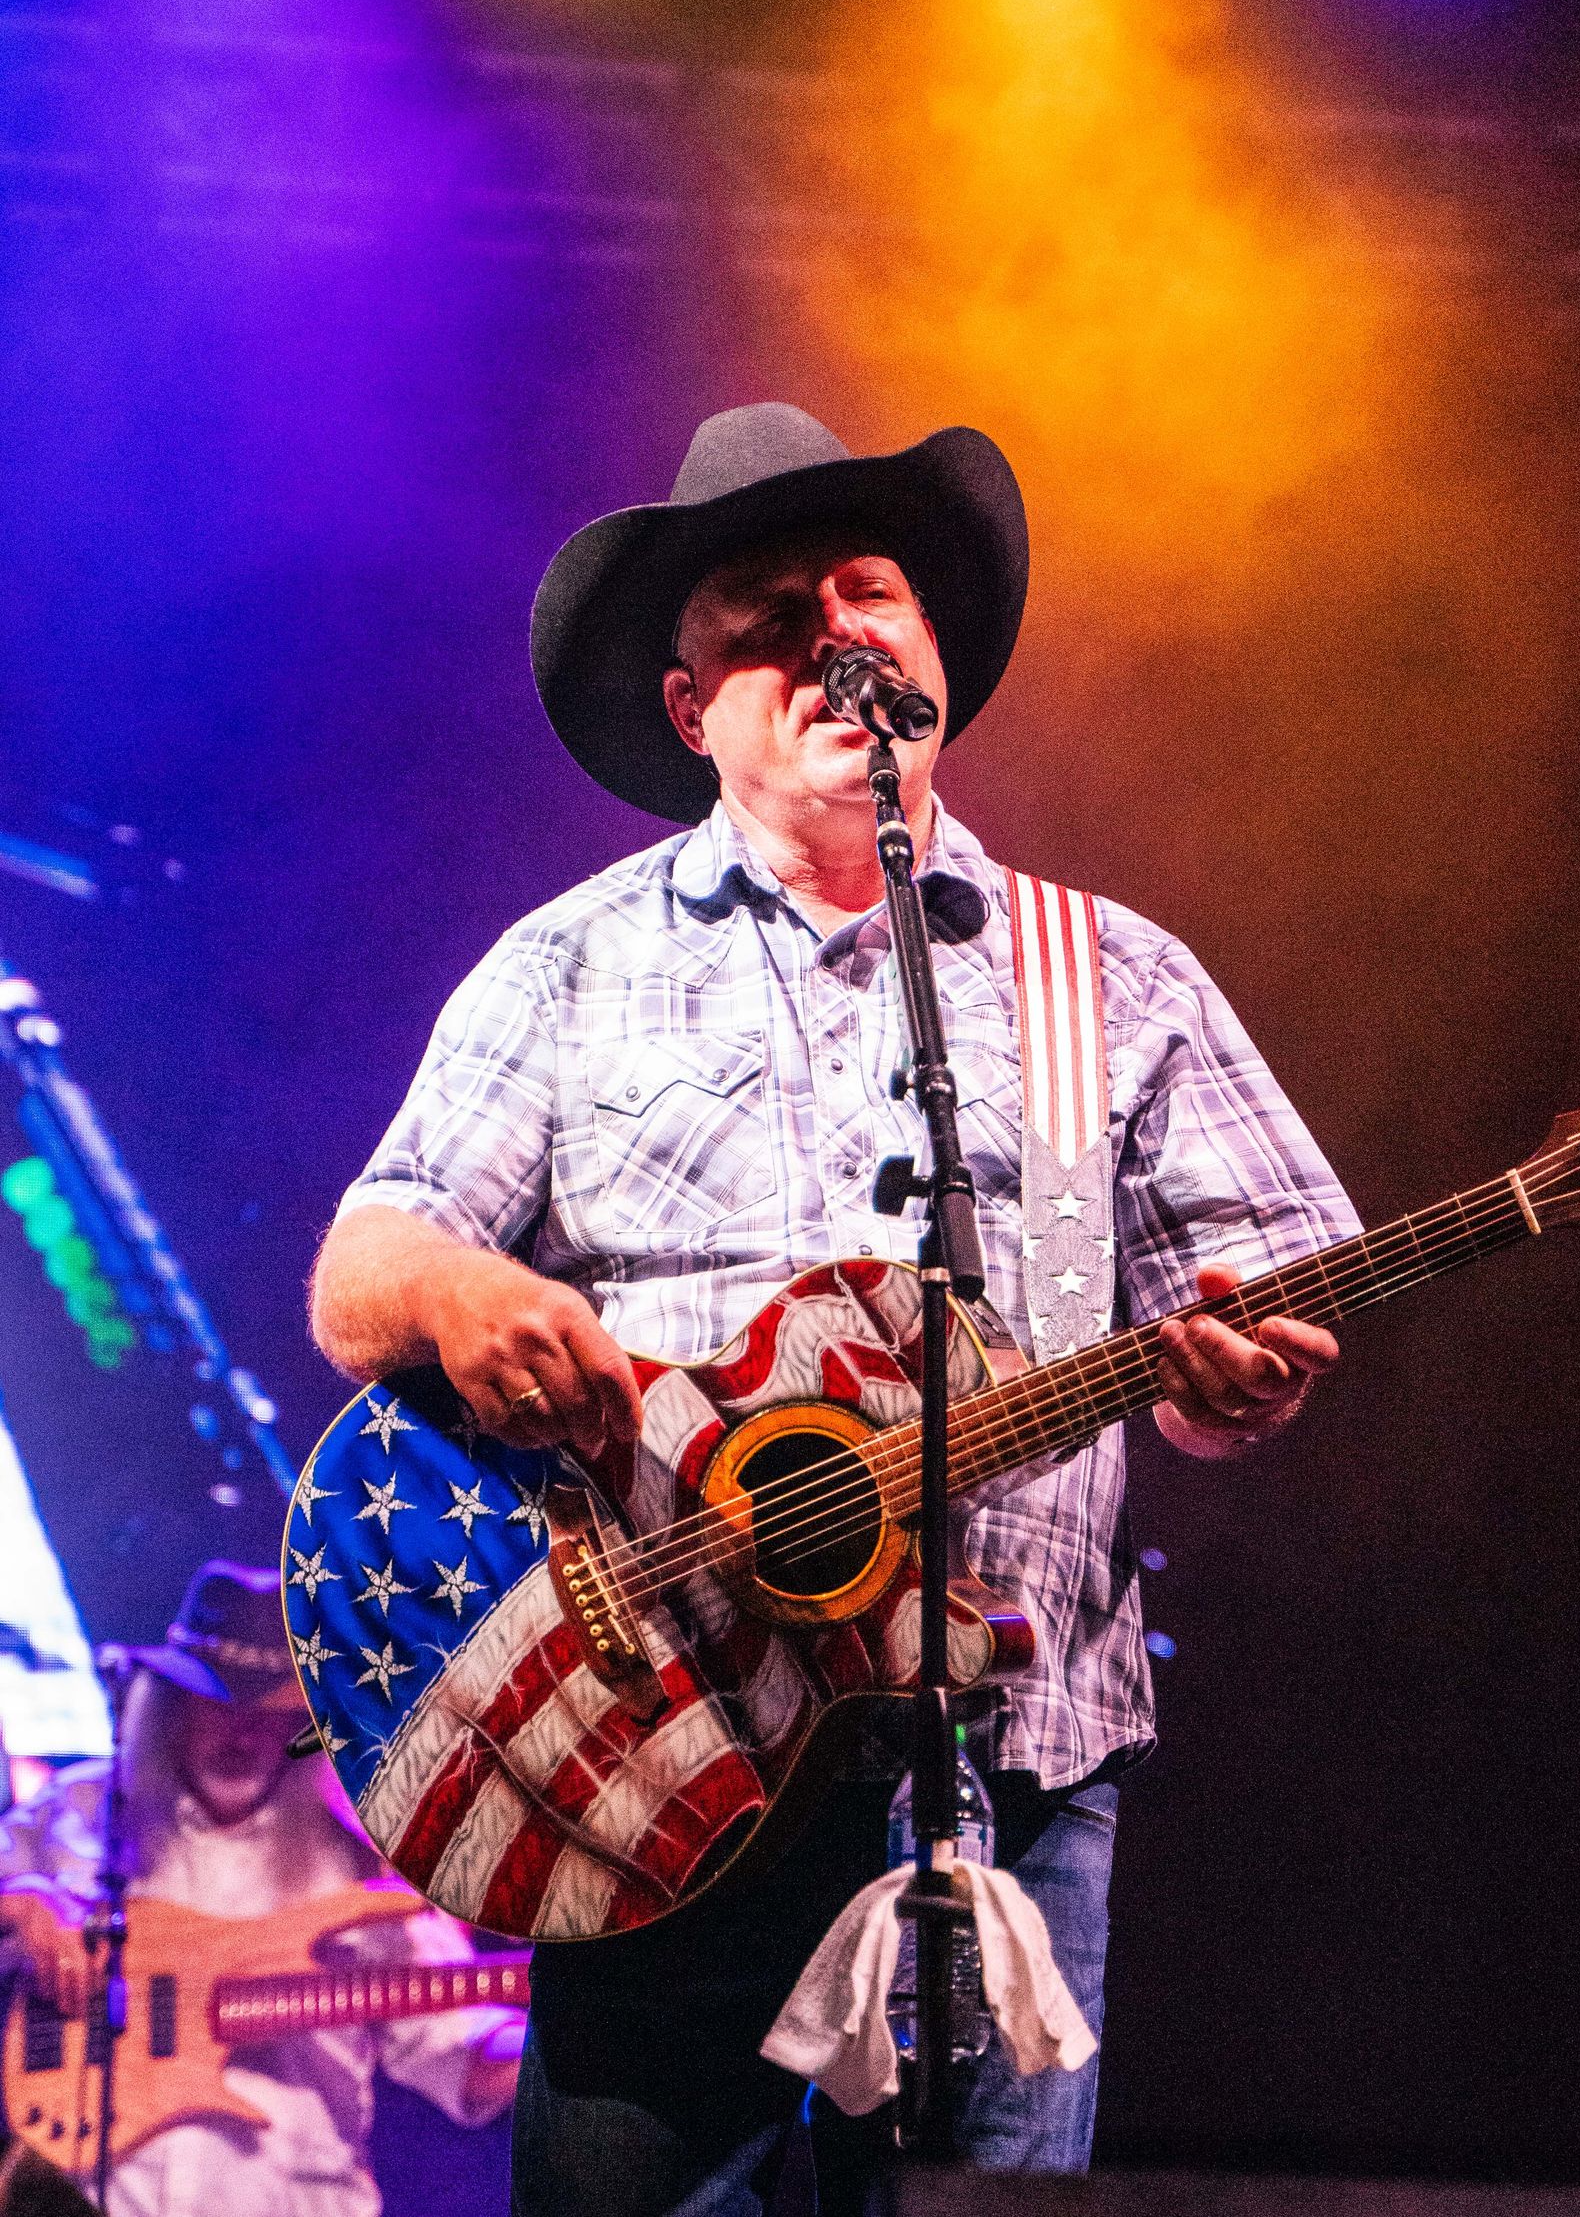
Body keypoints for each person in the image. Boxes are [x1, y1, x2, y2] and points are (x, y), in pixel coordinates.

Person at [306, 403, 1359, 2217]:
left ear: (931, 650)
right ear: (689, 707)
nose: (835, 636)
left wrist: (1233, 1378)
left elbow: (1231, 1333)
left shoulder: (1110, 977)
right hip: (657, 1742)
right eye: (770, 617)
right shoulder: (567, 964)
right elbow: (361, 1272)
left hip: (1012, 1761)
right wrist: (467, 1290)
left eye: (869, 593)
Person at [0, 1562, 521, 2217]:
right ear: (172, 1703)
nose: (244, 1732)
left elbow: (458, 2052)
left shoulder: (360, 1866)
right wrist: (27, 1901)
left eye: (272, 1713)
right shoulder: (77, 1812)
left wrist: (552, 2029)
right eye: (219, 1702)